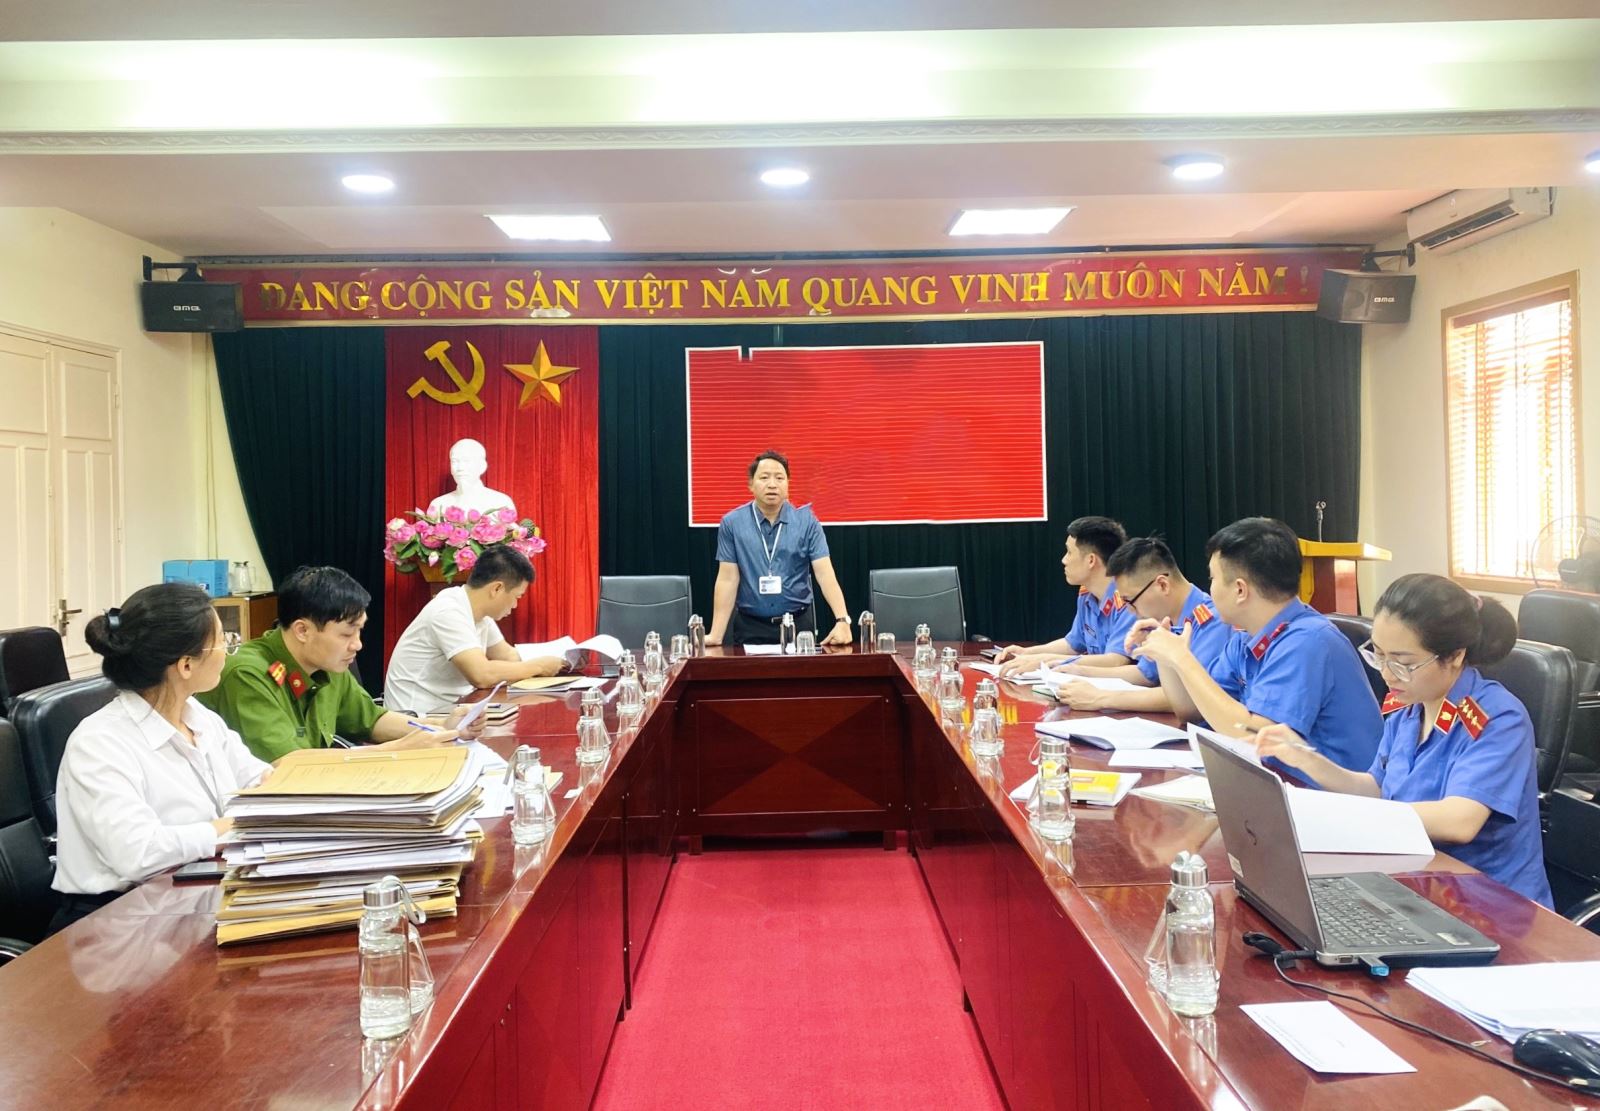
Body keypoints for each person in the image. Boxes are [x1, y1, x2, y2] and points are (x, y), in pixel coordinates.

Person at [1254, 574, 1552, 907]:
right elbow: (1376, 787)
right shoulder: (1408, 707)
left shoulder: (1498, 718)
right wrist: (1307, 758)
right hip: (1415, 883)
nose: (1386, 673)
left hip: (1489, 904)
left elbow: (1459, 820)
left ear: (1454, 656)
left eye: (1403, 663)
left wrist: (1345, 817)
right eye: (1379, 655)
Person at [51, 583, 273, 929]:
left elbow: (255, 776)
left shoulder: (199, 717)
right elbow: (138, 853)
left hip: (191, 898)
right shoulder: (99, 743)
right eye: (223, 642)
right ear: (185, 665)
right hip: (114, 922)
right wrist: (229, 828)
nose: (229, 652)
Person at [1137, 517, 1380, 779]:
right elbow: (1191, 710)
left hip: (1329, 795)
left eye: (1213, 578)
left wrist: (1183, 659)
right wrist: (1166, 657)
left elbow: (1255, 736)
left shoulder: (1307, 641)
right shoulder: (1246, 637)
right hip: (1274, 782)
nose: (1210, 588)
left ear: (1240, 590)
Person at [199, 566, 458, 762]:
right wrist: (395, 750)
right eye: (346, 634)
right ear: (302, 630)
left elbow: (371, 720)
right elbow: (288, 764)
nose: (357, 645)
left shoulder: (327, 663)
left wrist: (442, 727)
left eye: (359, 631)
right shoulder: (248, 674)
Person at [1051, 537, 1233, 713]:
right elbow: (1145, 674)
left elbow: (1191, 698)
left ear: (1162, 585)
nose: (1130, 611)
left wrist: (1101, 698)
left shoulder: (1211, 622)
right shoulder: (1161, 620)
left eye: (1130, 601)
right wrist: (1079, 671)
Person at [384, 546, 565, 714]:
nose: (515, 605)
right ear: (497, 589)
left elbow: (508, 655)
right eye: (517, 597)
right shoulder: (448, 611)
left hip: (452, 710)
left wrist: (563, 657)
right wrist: (539, 666)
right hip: (417, 718)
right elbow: (481, 675)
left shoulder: (479, 612)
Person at [706, 450, 852, 647]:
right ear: (751, 484)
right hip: (750, 627)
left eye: (779, 478)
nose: (772, 484)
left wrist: (842, 620)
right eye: (764, 477)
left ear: (788, 484)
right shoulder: (732, 523)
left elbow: (825, 574)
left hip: (798, 625)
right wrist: (716, 634)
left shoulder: (807, 521)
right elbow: (727, 579)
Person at [996, 515, 1137, 676]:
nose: (1064, 560)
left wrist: (1046, 661)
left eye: (1069, 552)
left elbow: (1116, 660)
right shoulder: (1086, 594)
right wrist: (1027, 653)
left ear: (1091, 560)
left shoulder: (1128, 599)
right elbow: (1073, 644)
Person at [427, 437, 515, 518]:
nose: (460, 468)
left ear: (482, 466)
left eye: (466, 461)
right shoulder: (438, 505)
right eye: (454, 461)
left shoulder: (500, 502)